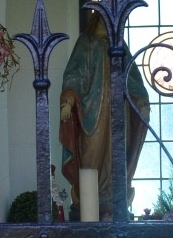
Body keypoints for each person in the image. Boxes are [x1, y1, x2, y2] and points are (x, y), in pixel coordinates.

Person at [59, 13, 150, 218]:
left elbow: (132, 76)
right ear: (97, 19)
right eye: (104, 19)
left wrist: (142, 101)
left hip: (119, 111)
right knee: (89, 155)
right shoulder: (86, 41)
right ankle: (87, 201)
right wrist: (69, 99)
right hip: (91, 112)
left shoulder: (119, 44)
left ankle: (113, 199)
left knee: (117, 152)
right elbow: (74, 73)